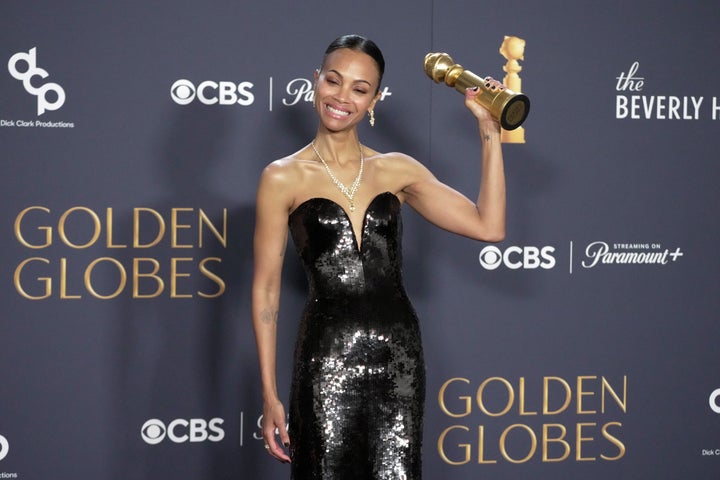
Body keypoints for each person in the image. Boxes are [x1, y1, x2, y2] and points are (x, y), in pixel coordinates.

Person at [252, 34, 506, 480]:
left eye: (359, 88)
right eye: (334, 81)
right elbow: (267, 289)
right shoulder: (282, 177)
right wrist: (270, 394)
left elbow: (489, 226)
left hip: (398, 361)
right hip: (325, 362)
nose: (342, 97)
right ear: (316, 82)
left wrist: (488, 130)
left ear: (374, 100)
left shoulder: (397, 170)